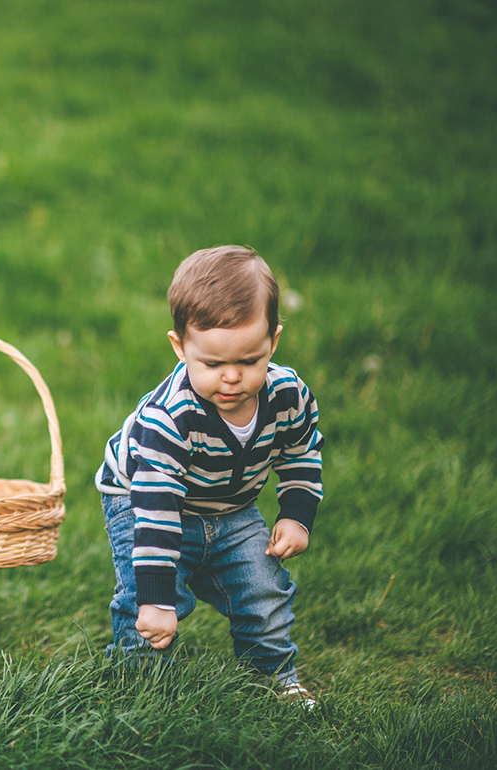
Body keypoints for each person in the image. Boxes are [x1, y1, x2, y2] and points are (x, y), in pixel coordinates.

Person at [95, 245, 323, 706]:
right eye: (213, 365)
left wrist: (297, 514)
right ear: (180, 348)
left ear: (273, 342)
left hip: (229, 504)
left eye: (250, 361)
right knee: (152, 597)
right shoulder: (171, 418)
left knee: (264, 587)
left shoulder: (288, 395)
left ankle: (273, 676)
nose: (232, 378)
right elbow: (156, 511)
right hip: (142, 497)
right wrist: (157, 601)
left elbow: (300, 450)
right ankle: (140, 685)